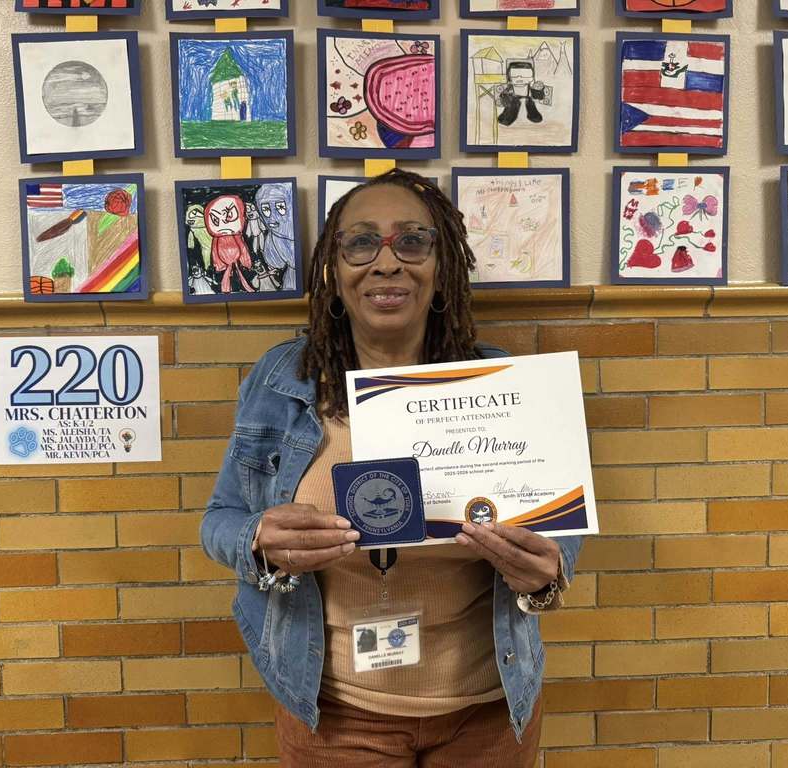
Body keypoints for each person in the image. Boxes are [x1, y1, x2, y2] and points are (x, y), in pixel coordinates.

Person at [202, 169, 584, 767]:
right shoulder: (281, 381)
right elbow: (219, 519)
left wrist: (548, 568)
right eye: (361, 243)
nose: (387, 262)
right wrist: (256, 540)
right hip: (334, 713)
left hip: (488, 707)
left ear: (442, 270)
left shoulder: (503, 385)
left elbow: (556, 525)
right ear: (333, 269)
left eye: (412, 241)